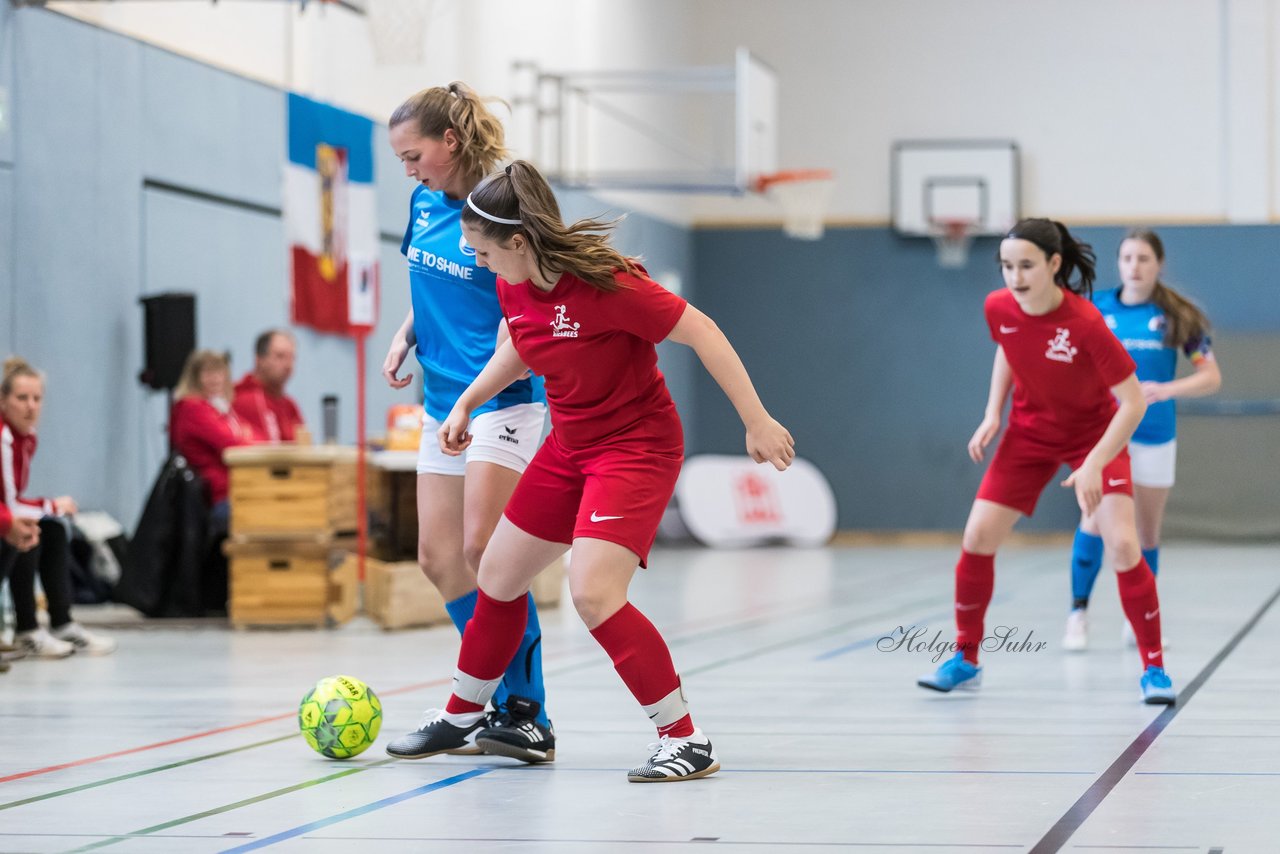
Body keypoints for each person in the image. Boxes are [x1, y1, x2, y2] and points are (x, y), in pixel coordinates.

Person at [398, 160, 794, 782]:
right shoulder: (512, 282)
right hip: (571, 447)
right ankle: (464, 711)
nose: (478, 262)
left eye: (483, 250)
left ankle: (685, 738)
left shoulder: (612, 285)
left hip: (636, 448)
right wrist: (469, 401)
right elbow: (522, 346)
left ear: (520, 242)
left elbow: (705, 333)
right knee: (497, 573)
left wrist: (758, 419)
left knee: (593, 592)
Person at [917, 219, 1177, 705]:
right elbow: (1009, 350)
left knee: (1123, 544)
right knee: (976, 538)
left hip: (1093, 437)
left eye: (1026, 266)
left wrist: (1097, 461)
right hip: (1029, 436)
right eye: (1007, 267)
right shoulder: (998, 306)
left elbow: (1134, 401)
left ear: (1054, 265)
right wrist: (993, 412)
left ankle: (1155, 669)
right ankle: (966, 659)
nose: (1015, 277)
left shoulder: (1085, 323)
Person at [381, 83, 555, 763]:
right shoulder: (423, 200)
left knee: (489, 556)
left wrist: (471, 401)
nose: (408, 168)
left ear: (449, 143)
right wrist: (405, 335)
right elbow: (432, 283)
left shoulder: (504, 208)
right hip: (441, 400)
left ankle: (525, 712)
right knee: (438, 558)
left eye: (413, 153)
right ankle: (493, 698)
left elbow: (523, 316)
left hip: (502, 399)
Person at [1062, 229, 1221, 651]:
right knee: (1093, 521)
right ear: (1118, 263)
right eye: (1128, 257)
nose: (1135, 266)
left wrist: (1168, 389)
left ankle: (1138, 619)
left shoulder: (1176, 316)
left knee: (1147, 532)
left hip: (1154, 434)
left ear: (1159, 264)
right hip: (1106, 435)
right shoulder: (1096, 310)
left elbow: (1211, 376)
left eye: (1144, 258)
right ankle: (1077, 612)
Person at [0, 357, 115, 657]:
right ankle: (26, 628)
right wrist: (52, 504)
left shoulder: (27, 438)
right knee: (29, 529)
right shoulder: (4, 436)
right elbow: (10, 504)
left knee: (51, 530)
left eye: (37, 399)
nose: (30, 406)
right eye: (21, 398)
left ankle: (61, 622)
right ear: (3, 401)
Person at [170, 349, 251, 533]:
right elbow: (233, 446)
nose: (215, 379)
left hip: (235, 490)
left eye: (219, 372)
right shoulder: (192, 408)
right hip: (218, 496)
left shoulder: (219, 408)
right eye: (208, 373)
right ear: (195, 377)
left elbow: (252, 436)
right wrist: (244, 438)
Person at [233, 329, 305, 444]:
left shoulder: (290, 404)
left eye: (292, 357)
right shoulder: (242, 399)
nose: (288, 365)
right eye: (280, 356)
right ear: (259, 360)